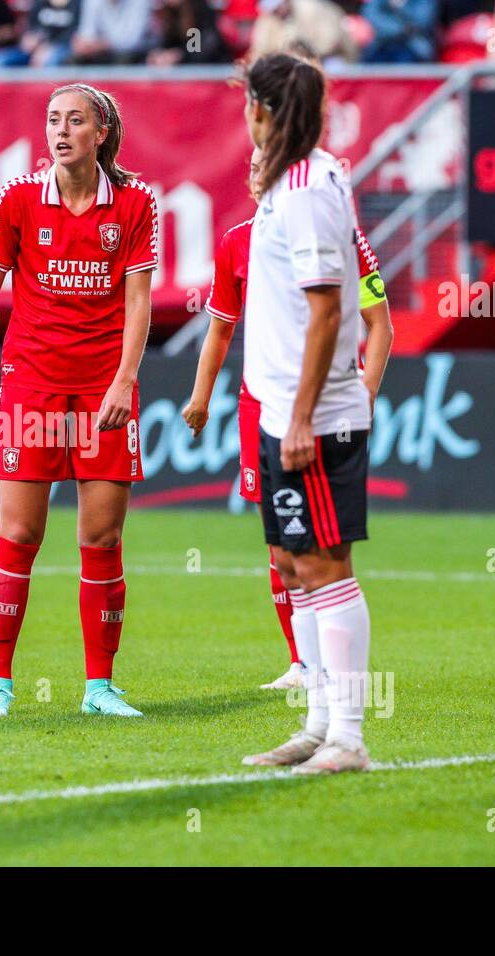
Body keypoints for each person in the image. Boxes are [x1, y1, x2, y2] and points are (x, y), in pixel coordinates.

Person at [0, 83, 159, 718]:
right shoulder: (17, 199)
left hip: (103, 387)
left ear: (101, 133)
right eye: (53, 120)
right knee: (19, 530)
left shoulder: (135, 204)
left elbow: (138, 301)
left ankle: (99, 688)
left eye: (76, 120)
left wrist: (125, 381)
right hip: (31, 384)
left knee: (101, 538)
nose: (61, 130)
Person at [182, 144, 392, 693]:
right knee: (279, 549)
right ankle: (304, 666)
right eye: (249, 166)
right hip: (259, 406)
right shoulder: (236, 245)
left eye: (264, 165)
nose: (255, 175)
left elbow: (380, 324)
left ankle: (335, 680)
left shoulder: (343, 237)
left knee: (323, 548)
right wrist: (201, 397)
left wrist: (366, 391)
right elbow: (221, 330)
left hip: (321, 406)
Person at [235, 54, 377, 774]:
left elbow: (326, 315)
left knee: (325, 566)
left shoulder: (306, 190)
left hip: (313, 416)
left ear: (264, 110)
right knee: (295, 565)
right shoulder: (288, 184)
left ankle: (350, 736)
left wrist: (298, 416)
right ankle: (320, 724)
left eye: (249, 103)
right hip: (282, 408)